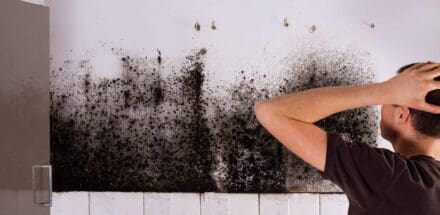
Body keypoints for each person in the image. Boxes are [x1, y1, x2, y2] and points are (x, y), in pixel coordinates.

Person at [254, 62, 440, 215]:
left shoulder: (391, 177)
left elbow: (270, 112)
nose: (381, 106)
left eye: (391, 98)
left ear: (402, 114)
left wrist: (383, 90)